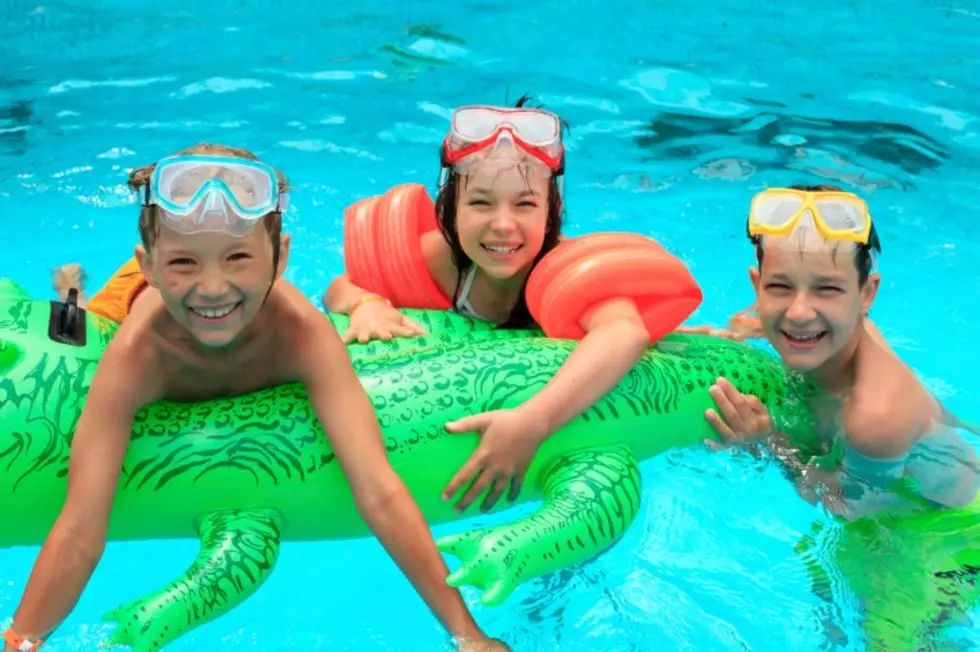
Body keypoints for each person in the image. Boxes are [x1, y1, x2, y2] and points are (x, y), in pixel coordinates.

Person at [2, 144, 508, 652]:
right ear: (150, 264)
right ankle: (72, 284)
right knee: (78, 324)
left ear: (281, 258)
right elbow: (80, 529)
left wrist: (468, 636)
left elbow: (379, 491)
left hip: (186, 289)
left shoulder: (301, 335)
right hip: (125, 303)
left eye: (239, 258)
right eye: (183, 262)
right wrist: (21, 639)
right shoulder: (136, 355)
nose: (213, 288)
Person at [324, 98, 680, 514]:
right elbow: (340, 286)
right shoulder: (442, 261)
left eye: (525, 204)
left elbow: (625, 332)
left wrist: (533, 422)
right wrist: (367, 304)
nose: (503, 224)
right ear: (451, 206)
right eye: (480, 203)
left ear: (552, 211)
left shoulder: (565, 271)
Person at [690, 184, 980, 648]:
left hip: (941, 534)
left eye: (827, 289)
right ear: (757, 284)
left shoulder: (874, 417)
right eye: (779, 286)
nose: (799, 313)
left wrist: (766, 443)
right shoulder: (820, 325)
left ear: (867, 294)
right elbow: (765, 313)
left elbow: (843, 505)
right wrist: (725, 336)